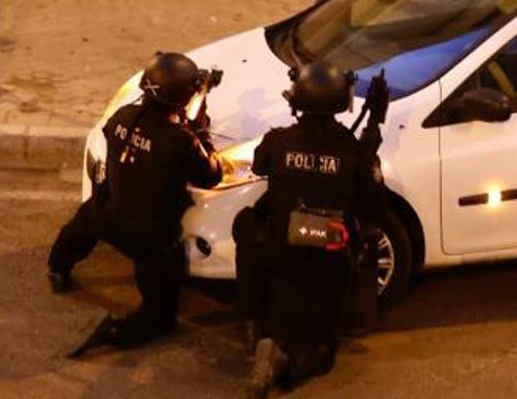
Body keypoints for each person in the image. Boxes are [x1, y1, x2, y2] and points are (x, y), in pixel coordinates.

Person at [47, 52, 223, 356]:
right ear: (182, 98)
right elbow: (210, 176)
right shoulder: (180, 141)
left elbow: (135, 139)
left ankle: (57, 269)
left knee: (82, 222)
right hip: (148, 238)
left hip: (106, 215)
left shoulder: (122, 118)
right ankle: (117, 332)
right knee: (162, 316)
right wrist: (201, 133)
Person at [237, 62, 385, 399]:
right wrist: (369, 152)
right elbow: (374, 206)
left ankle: (253, 323)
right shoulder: (353, 152)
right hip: (327, 263)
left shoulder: (277, 141)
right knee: (322, 357)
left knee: (246, 223)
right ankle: (282, 362)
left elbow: (260, 164)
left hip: (279, 256)